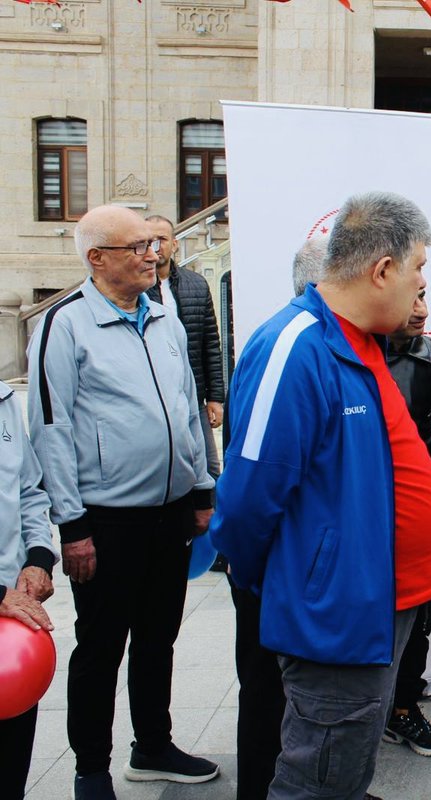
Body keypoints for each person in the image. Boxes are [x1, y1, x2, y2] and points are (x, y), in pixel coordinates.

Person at [210, 192, 431, 800]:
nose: (423, 282)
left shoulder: (361, 341)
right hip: (339, 614)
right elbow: (245, 500)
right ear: (383, 270)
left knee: (345, 767)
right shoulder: (296, 346)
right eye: (418, 266)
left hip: (379, 604)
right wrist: (306, 582)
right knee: (315, 779)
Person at [26, 205, 219, 800]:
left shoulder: (162, 317)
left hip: (170, 513)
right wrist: (72, 525)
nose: (152, 254)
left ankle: (153, 744)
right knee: (102, 646)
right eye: (136, 246)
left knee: (159, 636)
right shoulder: (64, 324)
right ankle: (91, 769)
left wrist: (203, 485)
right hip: (105, 522)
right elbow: (51, 430)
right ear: (97, 258)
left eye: (152, 245)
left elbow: (187, 406)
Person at [220, 237, 329, 800]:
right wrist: (252, 570)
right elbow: (251, 484)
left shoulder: (329, 342)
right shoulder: (289, 343)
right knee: (266, 691)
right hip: (276, 570)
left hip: (302, 567)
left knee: (300, 700)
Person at [382, 287, 431, 758]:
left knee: (421, 610)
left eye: (425, 296)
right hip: (365, 505)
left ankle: (405, 707)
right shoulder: (348, 358)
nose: (422, 309)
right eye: (410, 297)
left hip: (422, 499)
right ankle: (367, 710)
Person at [0, 379, 57, 799]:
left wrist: (38, 557)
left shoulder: (3, 400)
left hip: (14, 624)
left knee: (11, 758)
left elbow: (28, 490)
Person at [145, 215, 225, 481]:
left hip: (194, 394)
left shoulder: (196, 285)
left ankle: (209, 521)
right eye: (150, 240)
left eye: (163, 239)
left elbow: (210, 344)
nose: (157, 246)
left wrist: (215, 397)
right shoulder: (137, 291)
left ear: (175, 245)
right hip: (155, 398)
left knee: (211, 468)